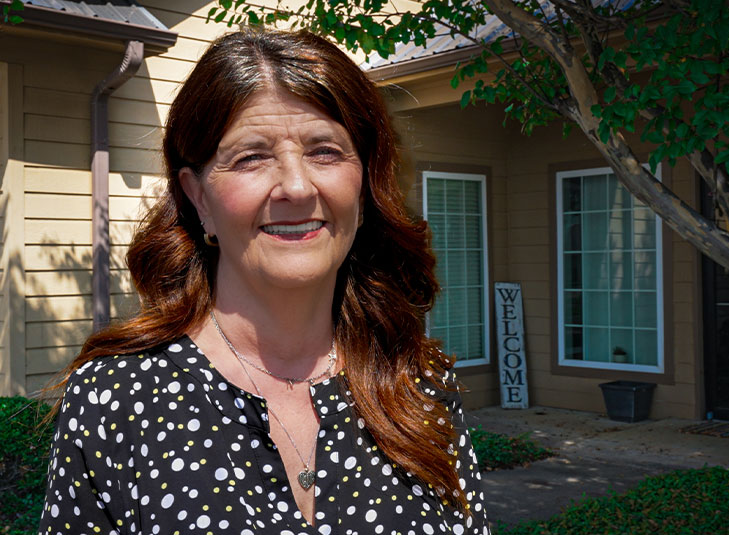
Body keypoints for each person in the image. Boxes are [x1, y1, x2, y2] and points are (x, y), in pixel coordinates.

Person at [38, 28, 490, 535]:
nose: (297, 187)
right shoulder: (115, 399)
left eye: (325, 151)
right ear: (198, 198)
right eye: (251, 157)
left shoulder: (418, 383)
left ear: (364, 187)